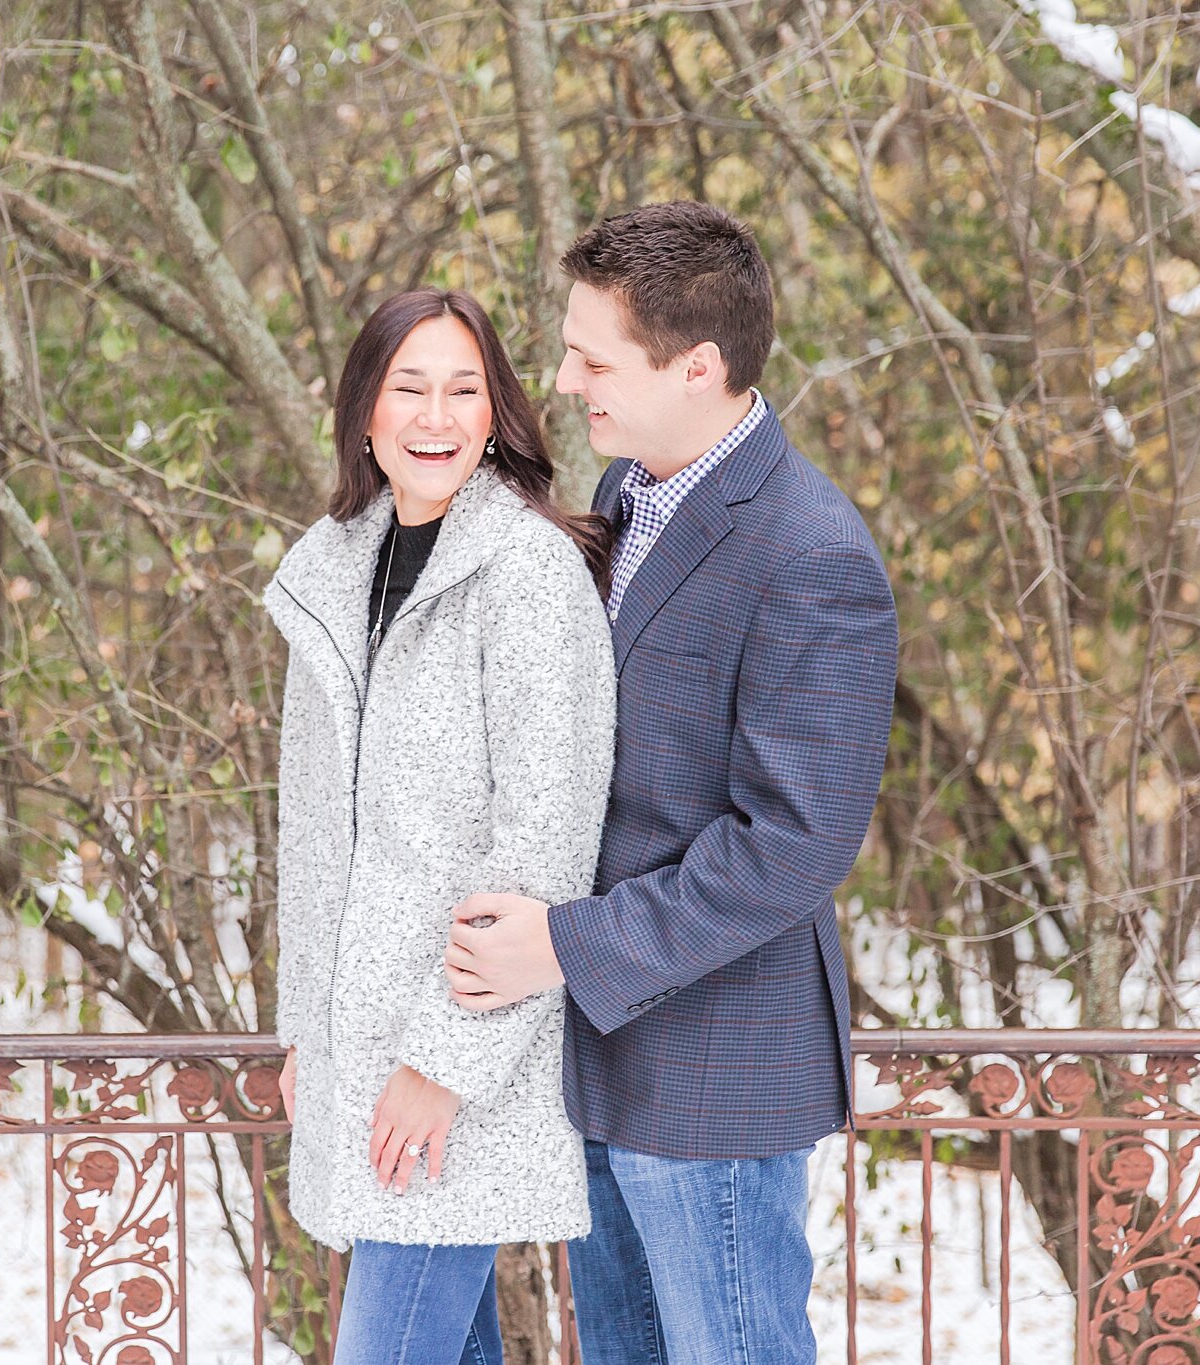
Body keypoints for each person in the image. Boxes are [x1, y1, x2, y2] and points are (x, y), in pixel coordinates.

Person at [445, 202, 900, 1361]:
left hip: (718, 1076)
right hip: (603, 1056)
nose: (564, 378)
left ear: (697, 368)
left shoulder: (811, 552)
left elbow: (791, 844)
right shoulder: (625, 494)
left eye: (595, 360)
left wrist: (565, 944)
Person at [265, 287, 617, 1363]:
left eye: (463, 390)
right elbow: (309, 830)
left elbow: (545, 851)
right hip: (355, 1055)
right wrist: (302, 1026)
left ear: (496, 413)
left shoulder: (528, 575)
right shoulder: (332, 570)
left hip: (451, 1065)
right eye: (406, 387)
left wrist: (442, 1061)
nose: (434, 417)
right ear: (363, 412)